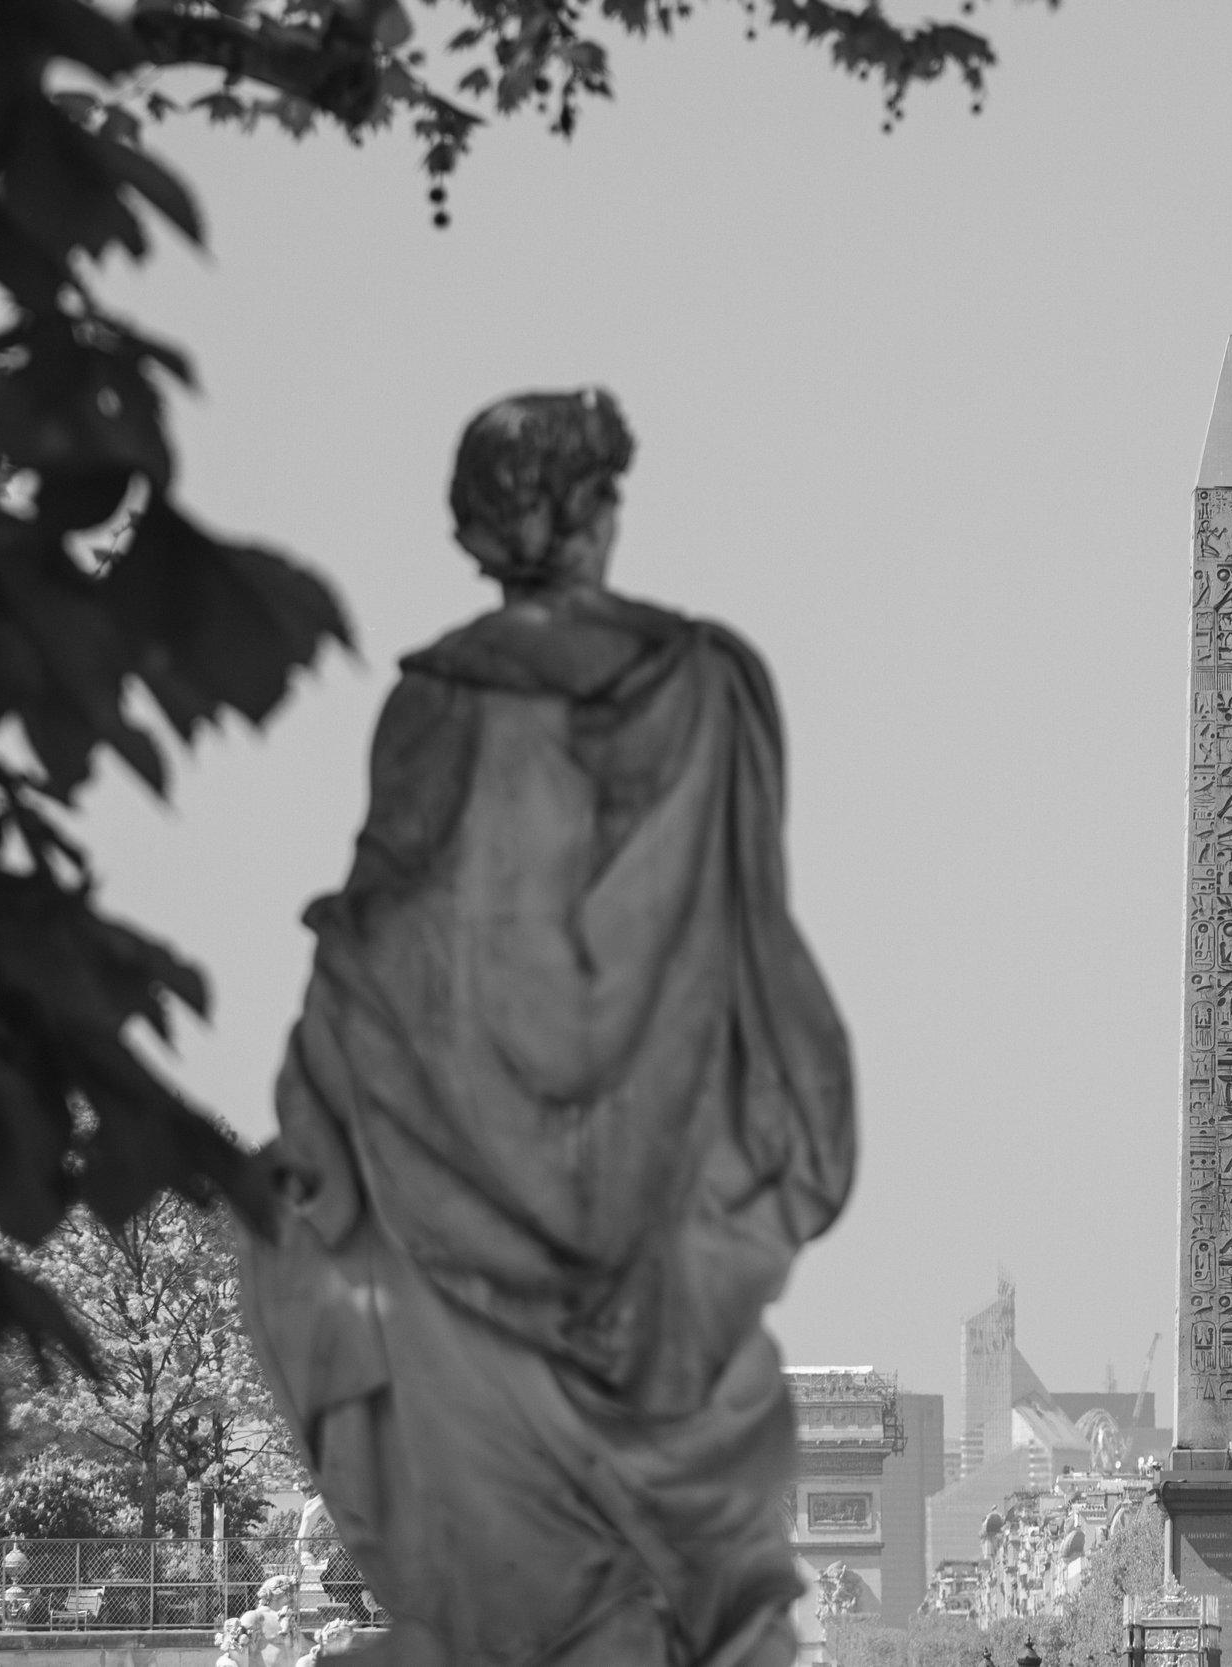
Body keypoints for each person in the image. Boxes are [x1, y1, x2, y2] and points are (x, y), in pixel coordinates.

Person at [240, 389, 856, 1667]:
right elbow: (751, 946)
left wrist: (312, 1125)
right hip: (654, 1192)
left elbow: (370, 952)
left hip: (463, 1185)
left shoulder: (435, 703)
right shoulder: (705, 682)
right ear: (591, 514)